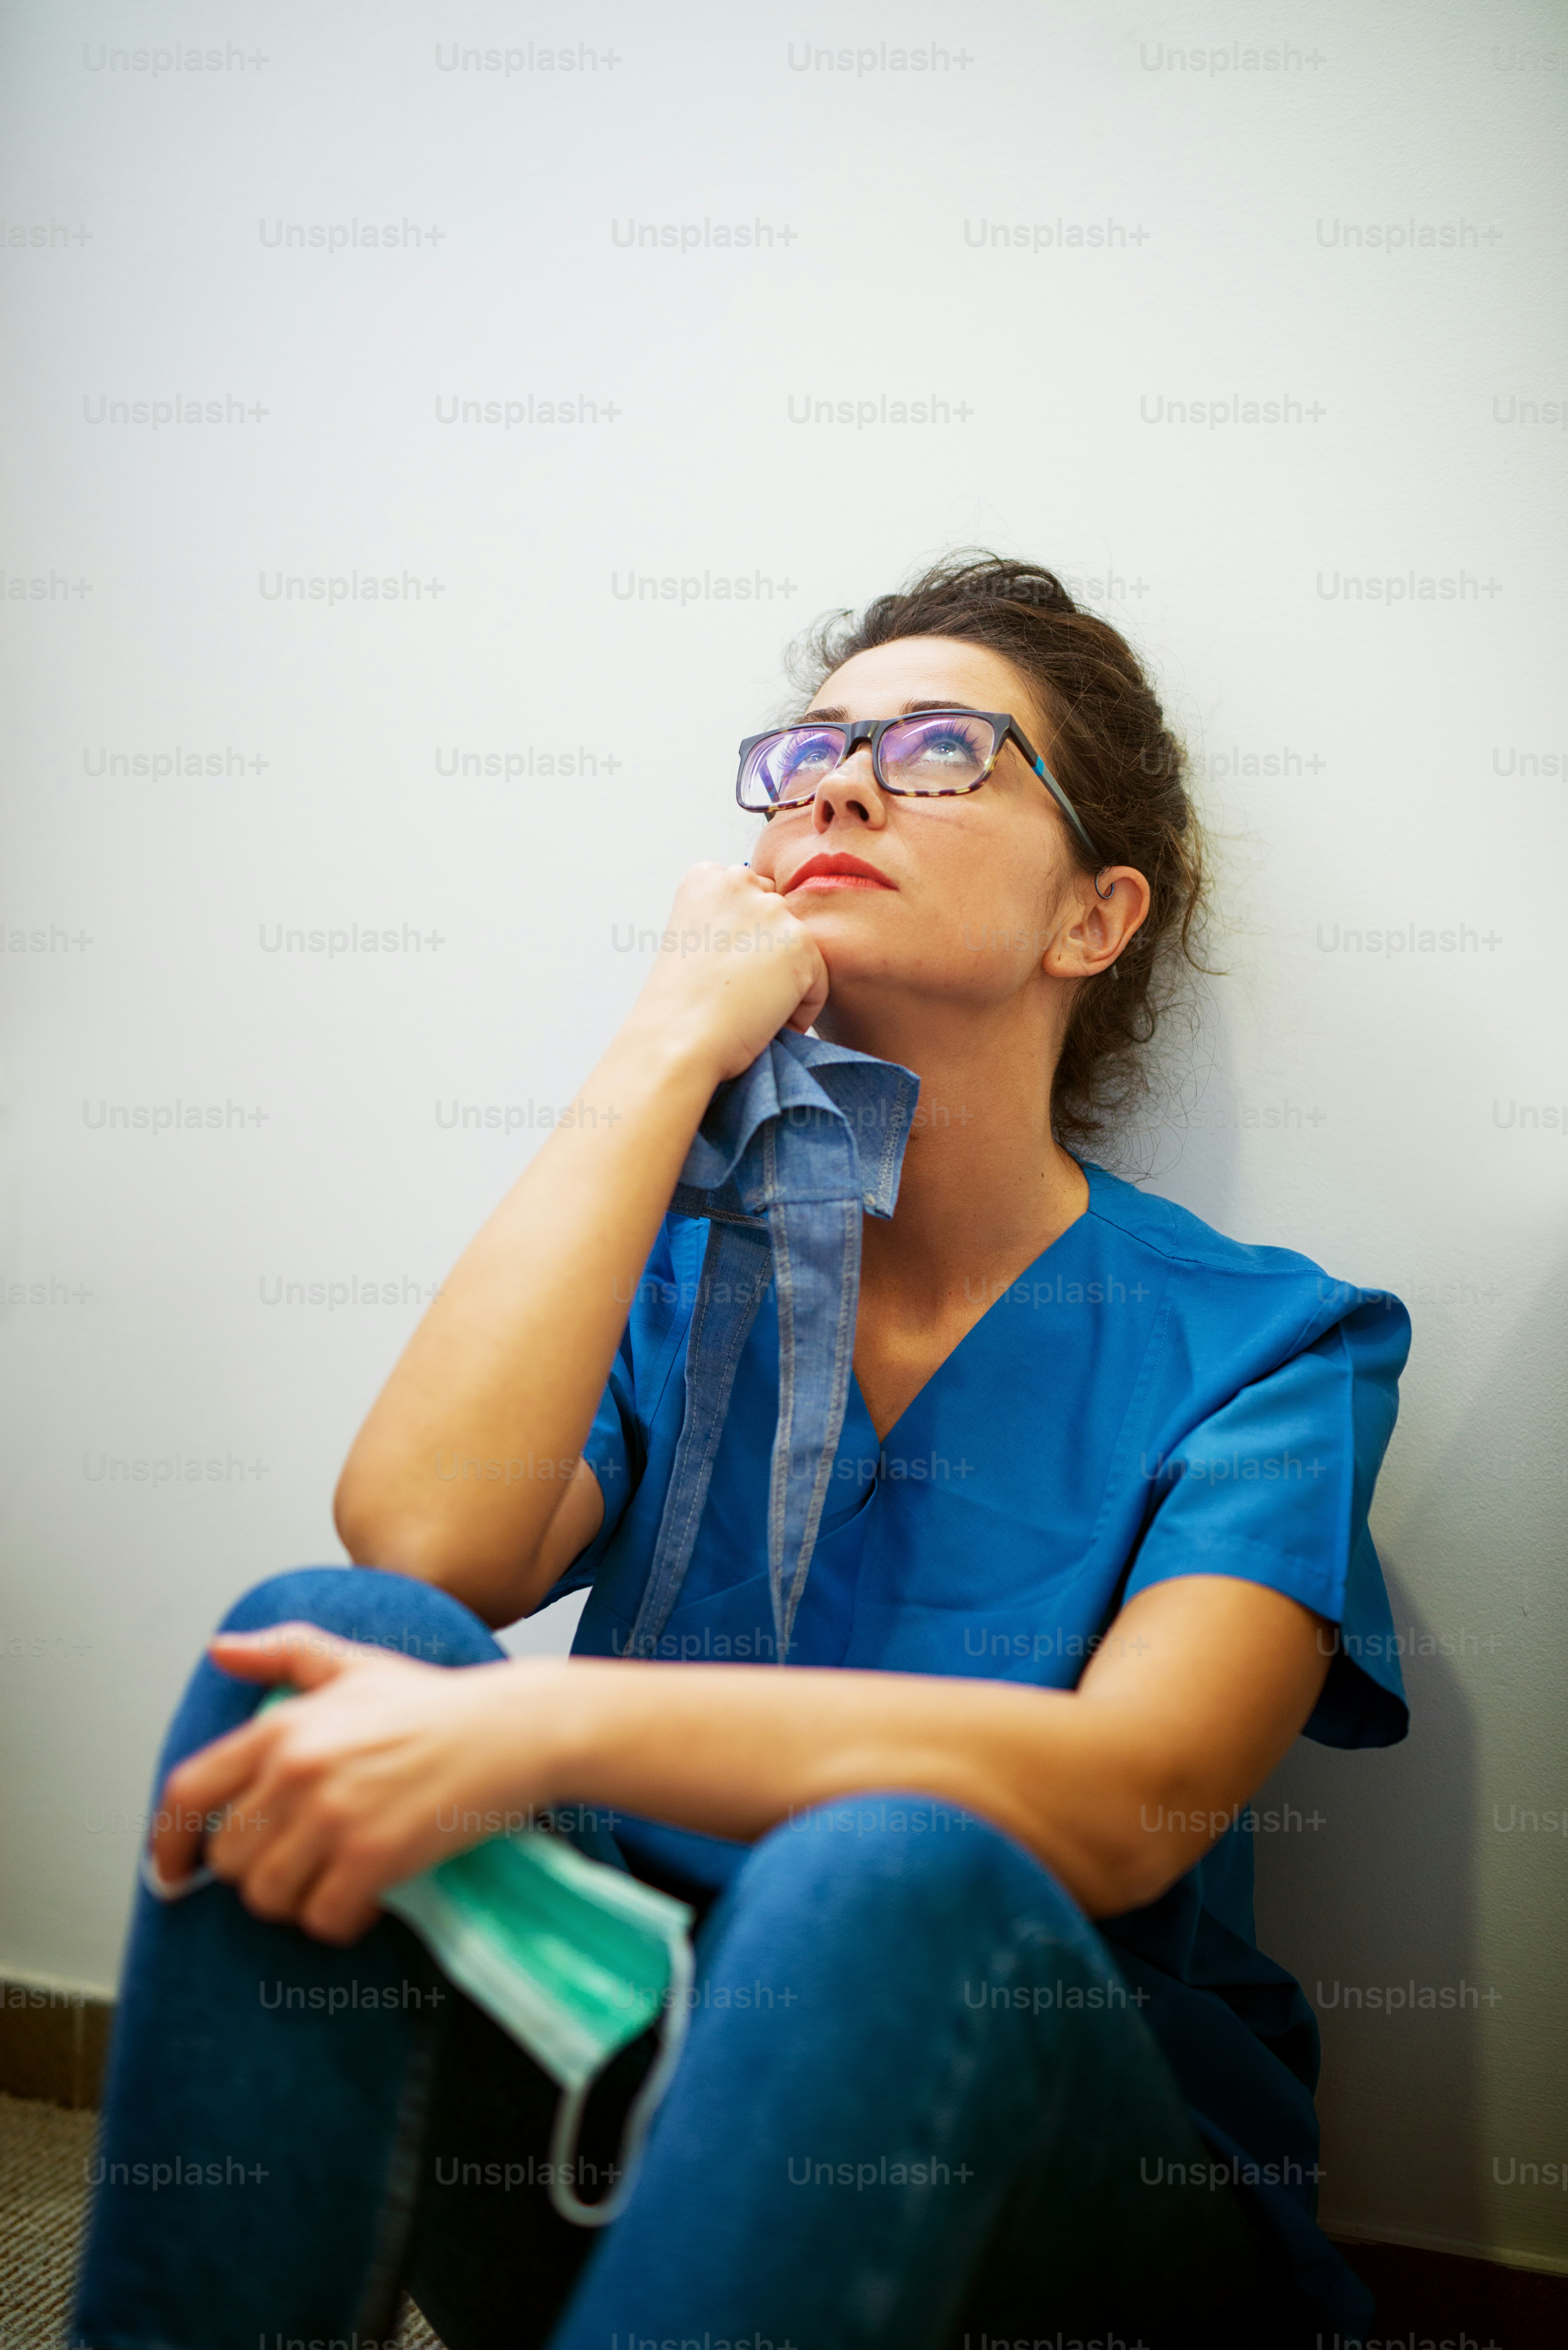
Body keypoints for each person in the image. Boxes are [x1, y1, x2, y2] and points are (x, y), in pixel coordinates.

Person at [73, 555, 1409, 2350]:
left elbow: (1127, 1796)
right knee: (325, 1640)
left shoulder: (1268, 1346)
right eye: (810, 755)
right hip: (640, 2135)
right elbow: (419, 1546)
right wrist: (666, 1035)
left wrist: (540, 1721)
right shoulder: (699, 1272)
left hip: (1062, 2202)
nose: (841, 785)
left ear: (1091, 920)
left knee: (890, 1865)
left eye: (942, 751)